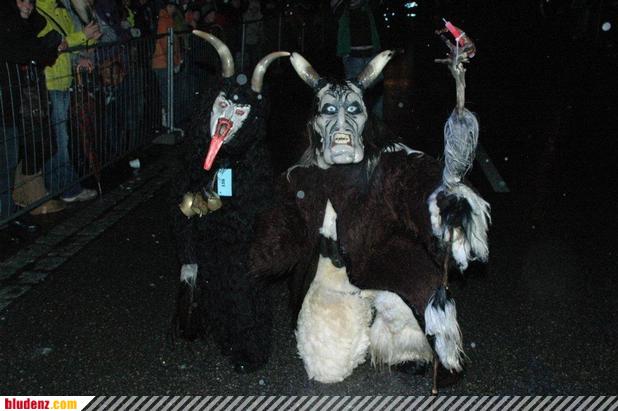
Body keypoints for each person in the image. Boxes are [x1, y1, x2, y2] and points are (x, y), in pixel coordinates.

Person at [1, 0, 66, 229]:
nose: (27, 5)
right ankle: (6, 216)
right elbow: (23, 51)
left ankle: (8, 213)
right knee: (7, 161)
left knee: (11, 160)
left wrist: (48, 43)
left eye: (31, 1)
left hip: (13, 103)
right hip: (5, 102)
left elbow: (35, 52)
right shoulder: (7, 24)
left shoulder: (20, 25)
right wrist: (50, 40)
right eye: (22, 0)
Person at [37, 0, 101, 203]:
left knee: (58, 139)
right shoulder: (37, 12)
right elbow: (55, 44)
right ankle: (68, 189)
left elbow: (71, 46)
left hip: (64, 81)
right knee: (59, 140)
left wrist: (89, 41)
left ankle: (58, 187)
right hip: (49, 83)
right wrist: (83, 36)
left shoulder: (61, 11)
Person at [332, 0, 384, 119]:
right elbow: (336, 9)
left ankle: (378, 123)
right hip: (352, 58)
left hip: (372, 56)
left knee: (377, 92)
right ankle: (355, 123)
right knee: (354, 95)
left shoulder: (368, 5)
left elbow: (378, 6)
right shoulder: (342, 7)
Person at [152, 1, 182, 128]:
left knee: (167, 92)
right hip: (162, 62)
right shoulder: (164, 20)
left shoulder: (167, 19)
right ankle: (167, 122)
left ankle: (168, 121)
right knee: (166, 93)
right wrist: (174, 61)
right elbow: (166, 43)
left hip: (164, 61)